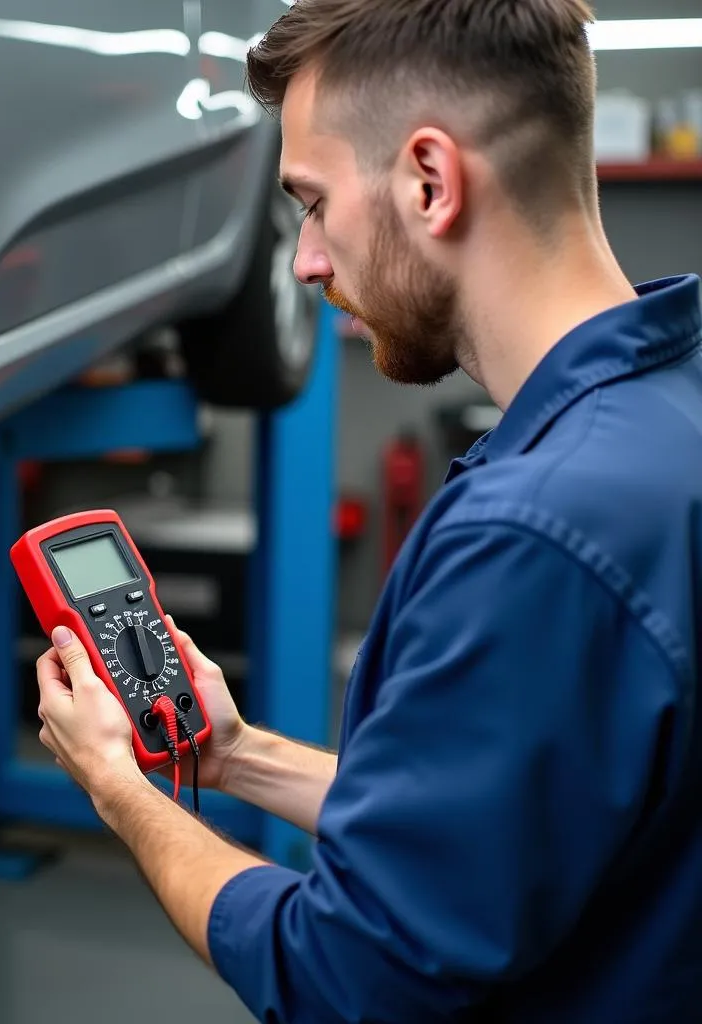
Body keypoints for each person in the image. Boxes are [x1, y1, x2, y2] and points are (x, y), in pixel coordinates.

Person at [35, 0, 702, 1020]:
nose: (304, 259)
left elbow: (342, 974)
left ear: (429, 181)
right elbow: (486, 828)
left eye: (310, 201)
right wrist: (235, 755)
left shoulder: (535, 535)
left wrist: (120, 790)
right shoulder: (669, 405)